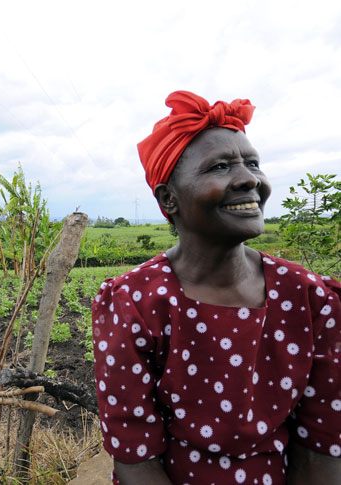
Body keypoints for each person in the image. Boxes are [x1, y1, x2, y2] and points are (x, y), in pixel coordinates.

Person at [92, 91, 341, 484]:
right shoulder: (135, 303)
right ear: (168, 199)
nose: (249, 179)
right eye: (221, 166)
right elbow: (135, 458)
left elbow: (321, 447)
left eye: (253, 163)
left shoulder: (309, 297)